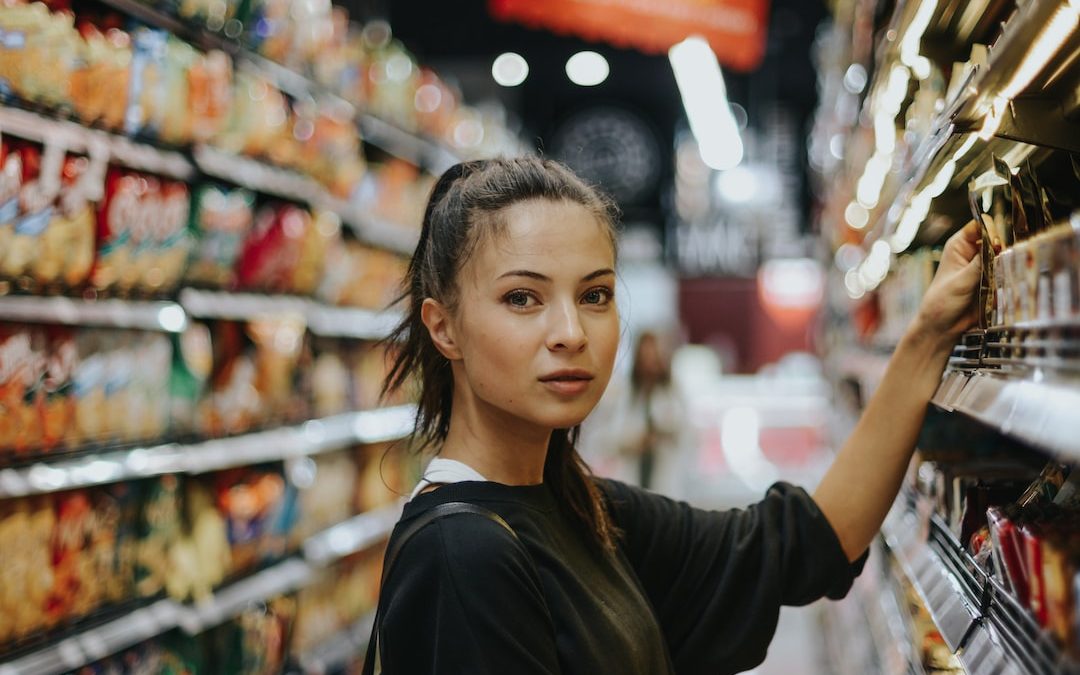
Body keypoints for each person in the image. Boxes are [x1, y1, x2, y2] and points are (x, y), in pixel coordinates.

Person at [372, 157, 981, 675]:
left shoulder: (584, 509)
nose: (570, 332)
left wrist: (929, 335)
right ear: (443, 327)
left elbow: (805, 543)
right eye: (522, 298)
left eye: (595, 296)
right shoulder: (462, 556)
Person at [611, 330, 690, 493]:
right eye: (645, 357)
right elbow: (610, 438)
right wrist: (636, 441)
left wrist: (661, 434)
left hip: (665, 477)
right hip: (633, 476)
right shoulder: (627, 393)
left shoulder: (672, 392)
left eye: (654, 356)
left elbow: (685, 432)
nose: (649, 363)